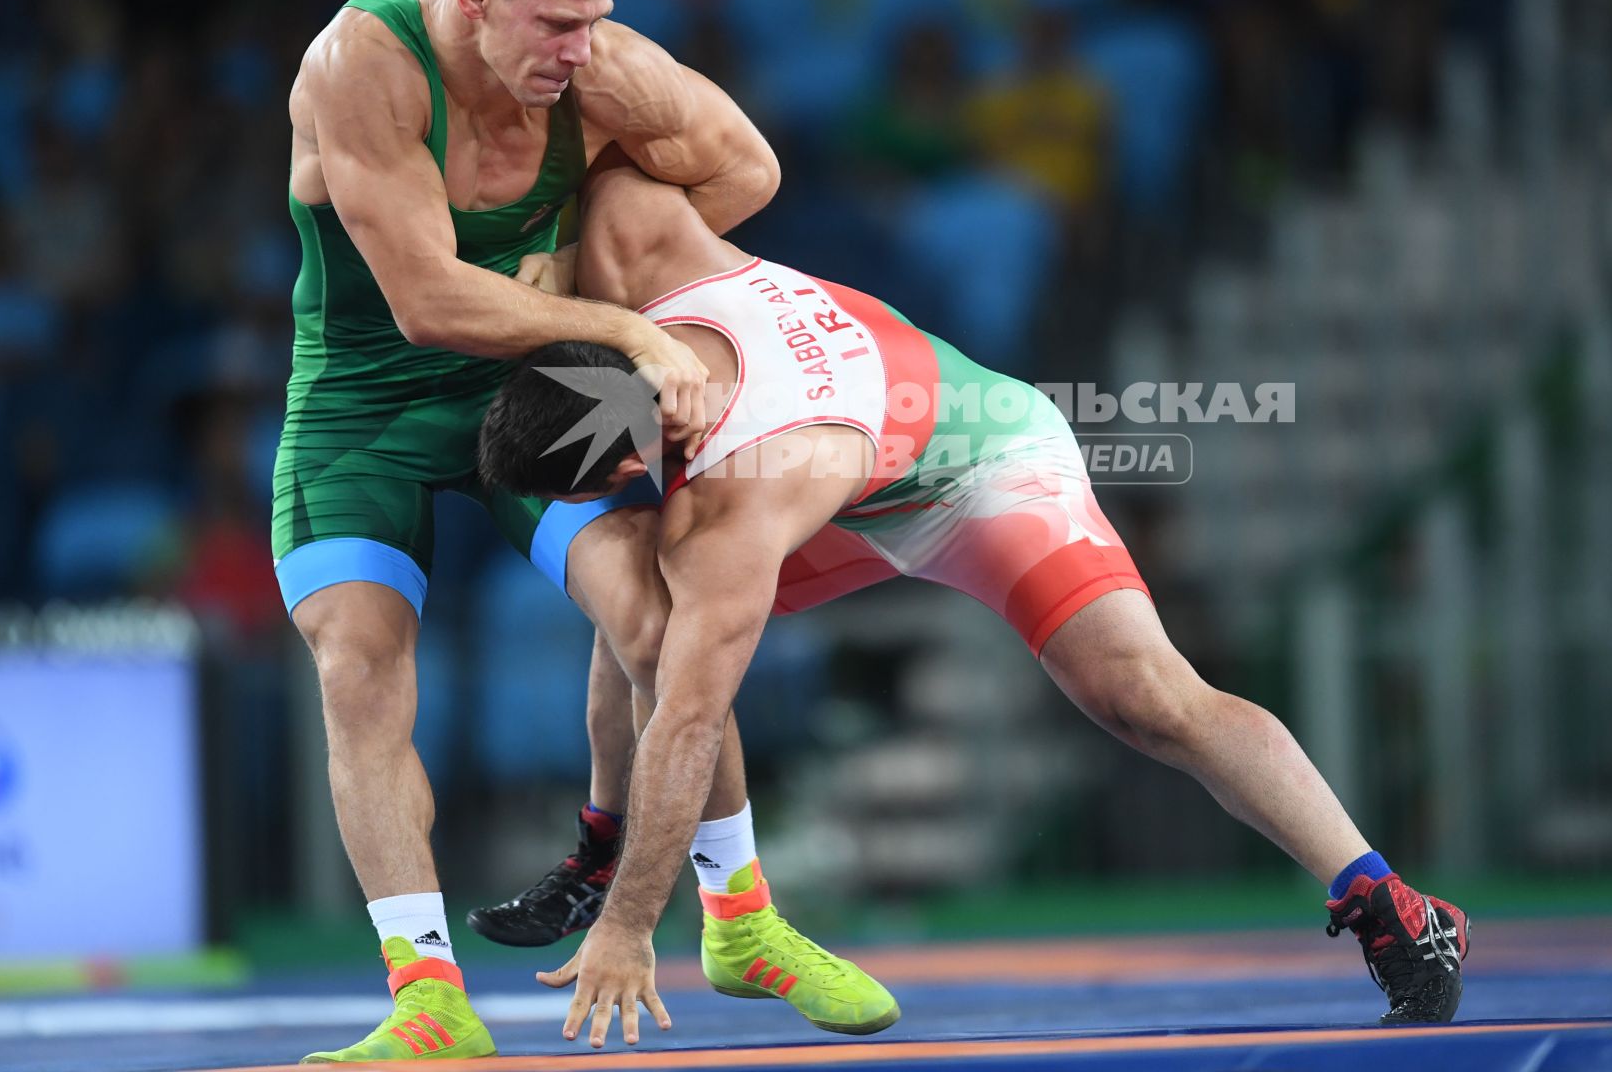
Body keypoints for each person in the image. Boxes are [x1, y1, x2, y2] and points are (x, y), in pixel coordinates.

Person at [476, 165, 1472, 1049]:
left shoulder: (727, 517)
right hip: (857, 474)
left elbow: (692, 723)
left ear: (616, 460)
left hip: (982, 468)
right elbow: (632, 92)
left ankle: (1389, 901)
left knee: (1146, 695)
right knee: (645, 610)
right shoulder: (646, 242)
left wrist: (631, 929)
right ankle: (602, 845)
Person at [279, 0, 890, 1063]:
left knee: (660, 623)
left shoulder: (601, 70)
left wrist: (594, 267)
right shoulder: (364, 60)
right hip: (364, 400)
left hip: (528, 381)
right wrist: (629, 330)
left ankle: (742, 916)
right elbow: (424, 301)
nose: (582, 48)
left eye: (595, 17)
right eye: (556, 26)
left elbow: (746, 170)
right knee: (359, 664)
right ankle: (428, 998)